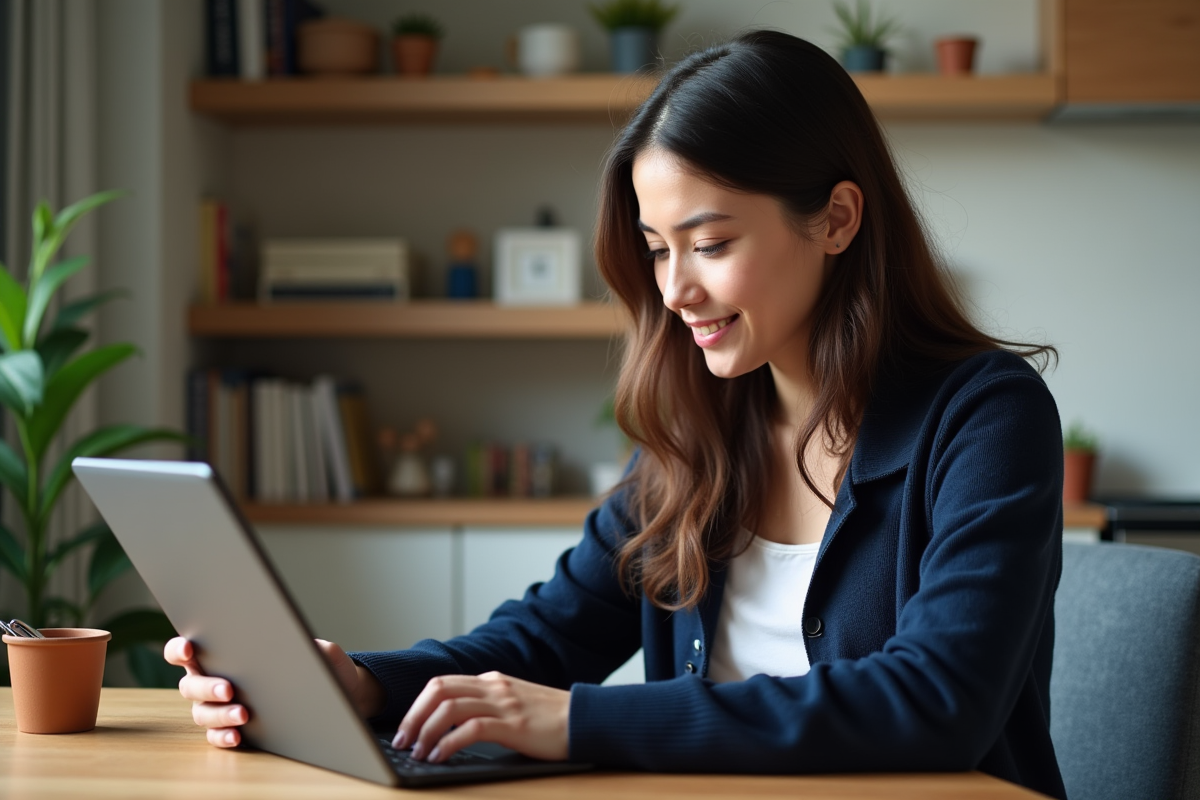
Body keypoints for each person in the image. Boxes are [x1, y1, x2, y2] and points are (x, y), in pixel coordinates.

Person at [166, 30, 1066, 799]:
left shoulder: (984, 418)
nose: (675, 290)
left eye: (711, 244)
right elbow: (546, 636)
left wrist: (578, 720)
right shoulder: (701, 428)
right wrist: (359, 685)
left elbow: (938, 701)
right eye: (656, 250)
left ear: (835, 220)